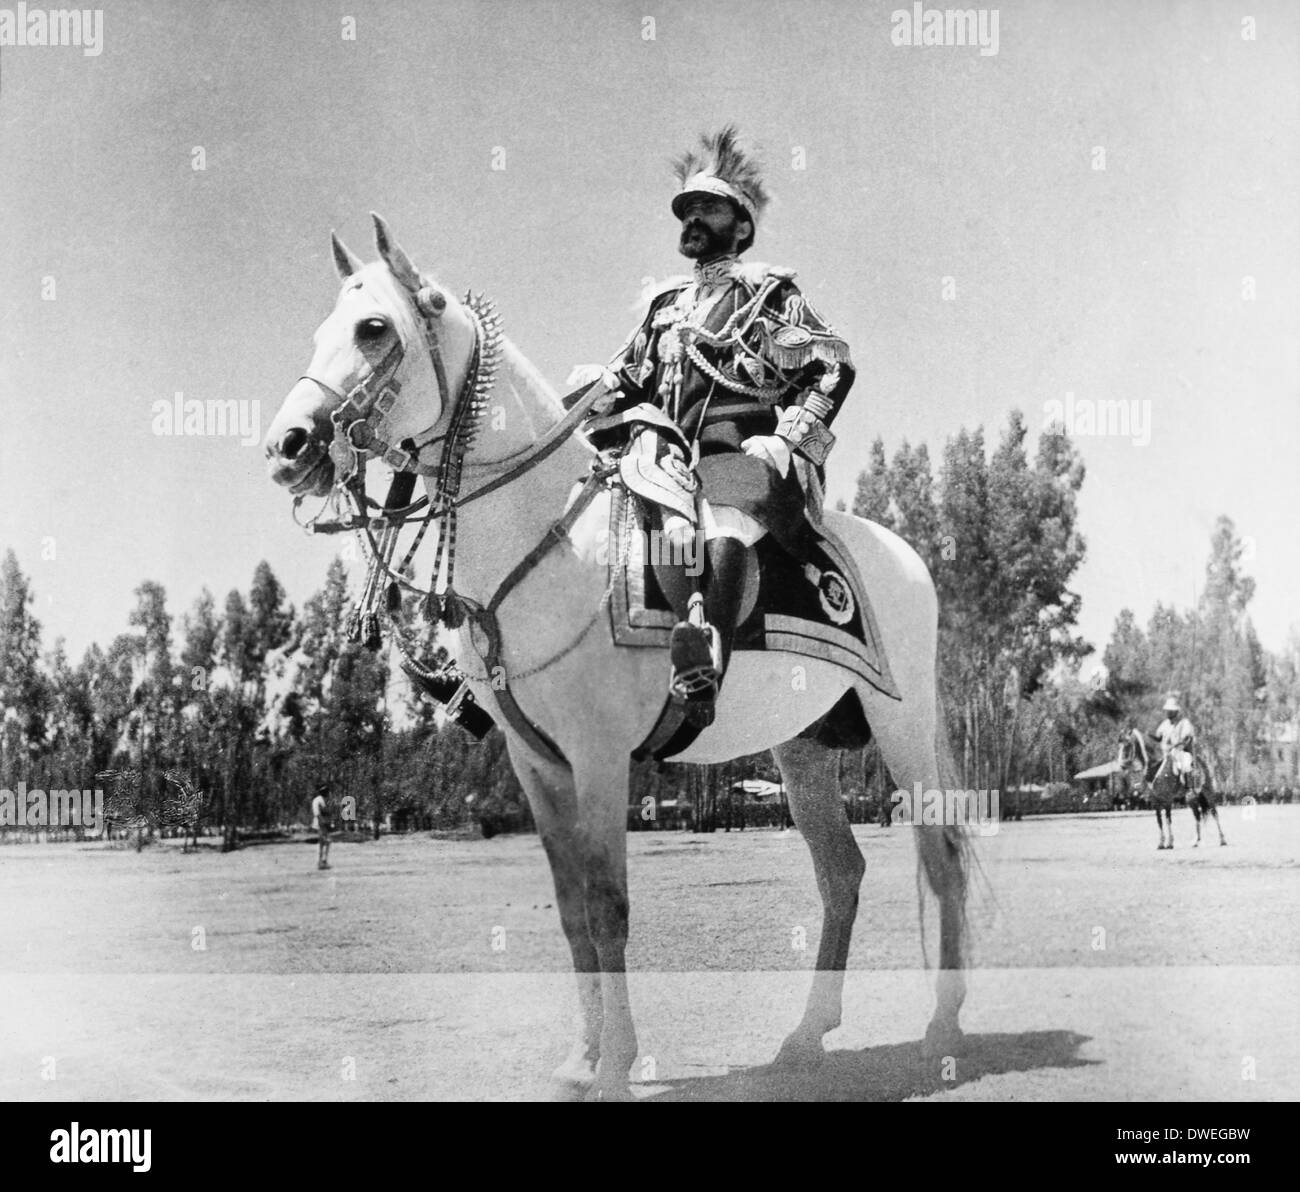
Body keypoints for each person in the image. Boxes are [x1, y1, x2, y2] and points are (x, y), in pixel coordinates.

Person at [572, 126, 854, 723]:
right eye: (686, 211)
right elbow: (629, 376)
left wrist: (787, 439)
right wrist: (593, 390)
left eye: (708, 208)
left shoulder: (770, 297)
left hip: (738, 450)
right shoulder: (663, 306)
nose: (692, 220)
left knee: (727, 506)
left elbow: (834, 366)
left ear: (742, 225)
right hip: (661, 451)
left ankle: (709, 663)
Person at [1153, 695, 1195, 790]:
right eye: (1167, 710)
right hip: (1165, 753)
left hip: (1180, 752)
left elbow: (1186, 738)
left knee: (1186, 764)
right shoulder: (1164, 724)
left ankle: (1190, 789)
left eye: (1170, 710)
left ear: (1176, 711)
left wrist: (1179, 744)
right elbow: (1158, 736)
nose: (1168, 712)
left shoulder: (1184, 722)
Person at [311, 782, 332, 870]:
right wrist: (323, 823)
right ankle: (321, 862)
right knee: (324, 842)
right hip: (320, 824)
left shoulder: (323, 800)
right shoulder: (317, 800)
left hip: (324, 824)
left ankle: (322, 861)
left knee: (324, 843)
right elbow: (317, 814)